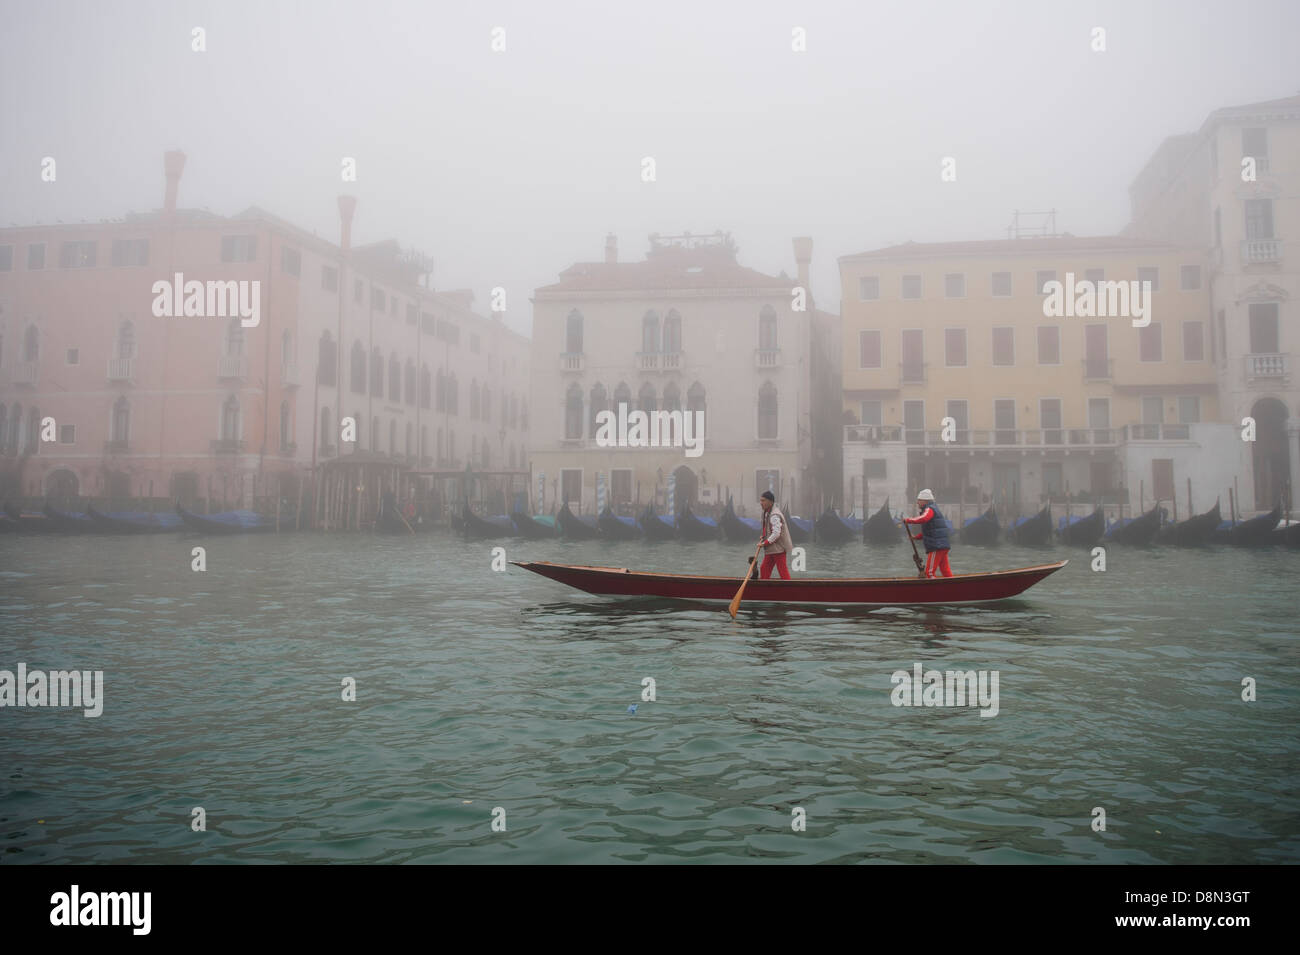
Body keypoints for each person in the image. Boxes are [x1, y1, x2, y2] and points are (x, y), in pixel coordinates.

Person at [903, 488, 954, 578]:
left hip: (937, 546)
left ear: (925, 501)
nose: (917, 502)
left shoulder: (929, 509)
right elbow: (930, 530)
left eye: (919, 500)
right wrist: (916, 537)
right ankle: (954, 589)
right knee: (945, 571)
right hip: (942, 545)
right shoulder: (933, 509)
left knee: (929, 573)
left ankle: (936, 591)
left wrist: (908, 520)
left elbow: (923, 518)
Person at [757, 490, 793, 579]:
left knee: (782, 571)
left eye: (763, 500)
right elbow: (768, 527)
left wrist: (764, 543)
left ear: (770, 502)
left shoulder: (775, 515)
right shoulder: (767, 513)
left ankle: (790, 590)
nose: (761, 503)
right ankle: (764, 590)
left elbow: (776, 533)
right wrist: (764, 535)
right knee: (764, 569)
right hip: (771, 549)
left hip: (779, 549)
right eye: (760, 500)